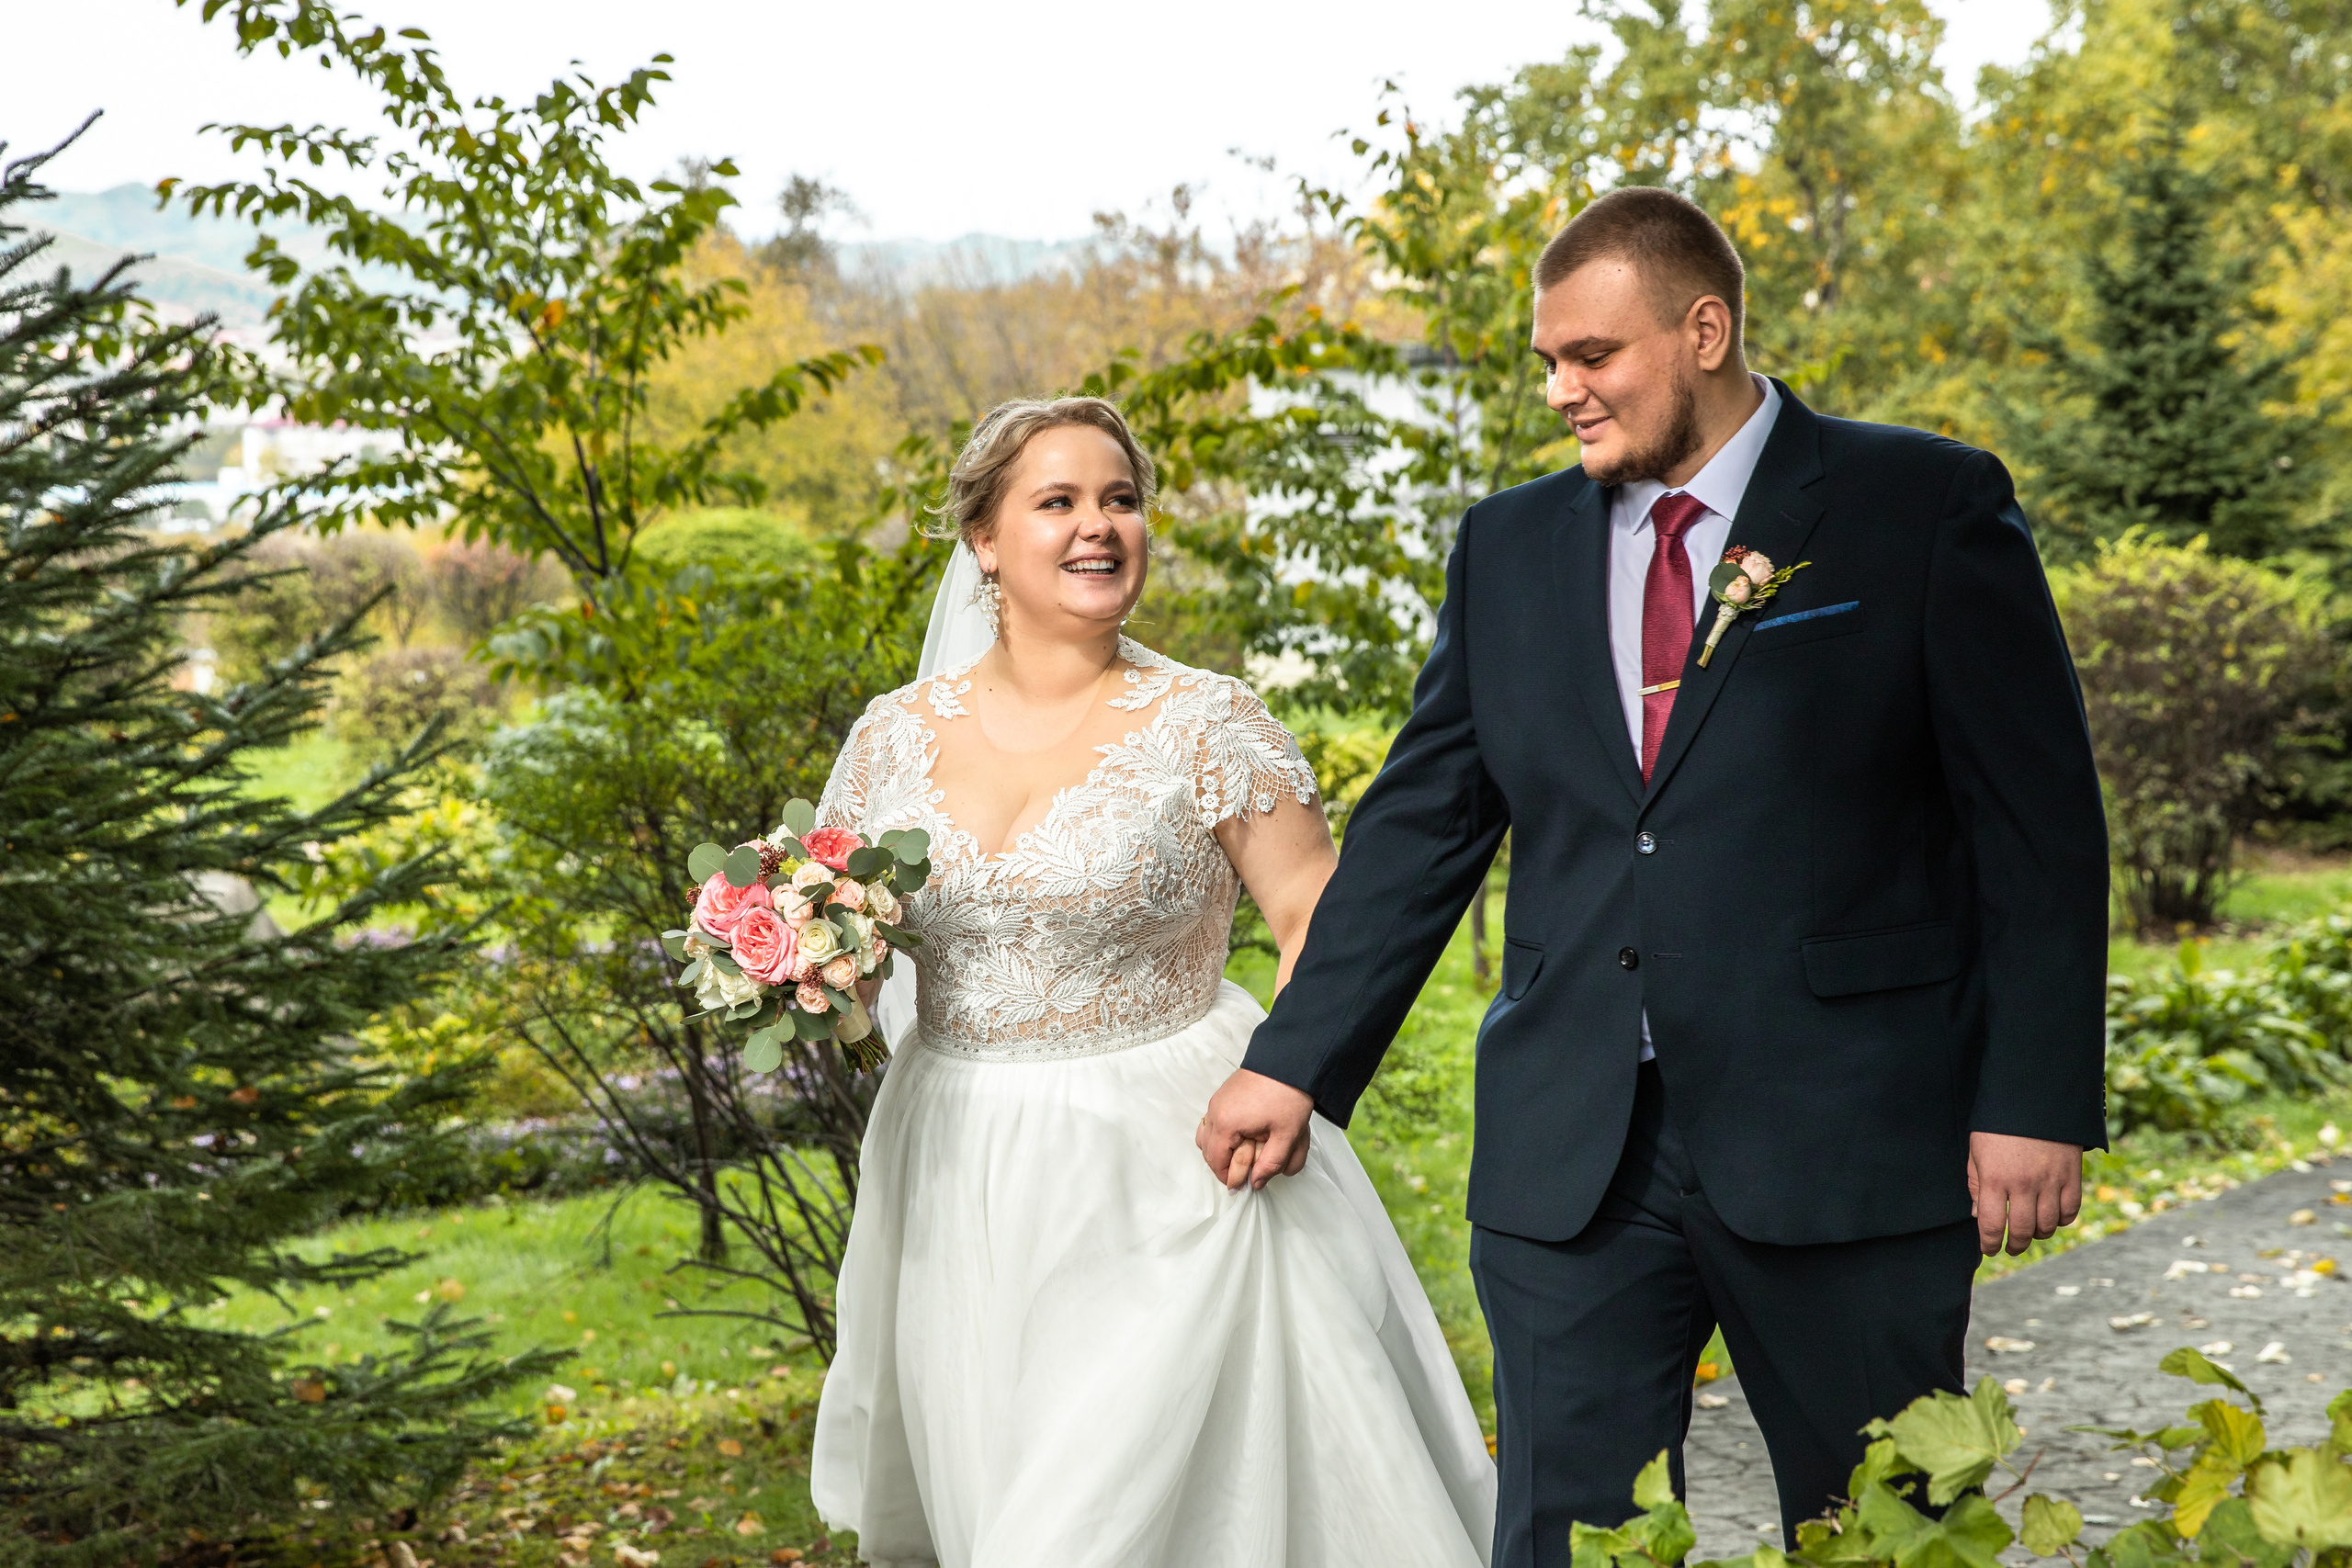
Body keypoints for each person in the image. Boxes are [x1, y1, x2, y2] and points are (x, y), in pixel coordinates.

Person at [1199, 187, 2109, 1565]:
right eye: (1548, 362)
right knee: (1567, 1536)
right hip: (1574, 1154)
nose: (1563, 390)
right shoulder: (1506, 545)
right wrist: (1296, 1053)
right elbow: (1425, 822)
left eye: (1593, 356)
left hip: (1844, 1138)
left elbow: (2036, 824)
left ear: (1704, 327)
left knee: (1885, 1531)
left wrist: (2033, 1098)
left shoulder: (1918, 503)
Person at [808, 396, 1496, 1567]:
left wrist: (1294, 1076)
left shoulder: (1207, 722)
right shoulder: (890, 739)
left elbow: (1315, 919)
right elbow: (847, 948)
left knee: (1123, 1518)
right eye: (1059, 501)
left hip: (1178, 1158)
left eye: (1120, 500)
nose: (1100, 526)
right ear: (982, 539)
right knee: (1003, 1474)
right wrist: (805, 973)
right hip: (958, 1163)